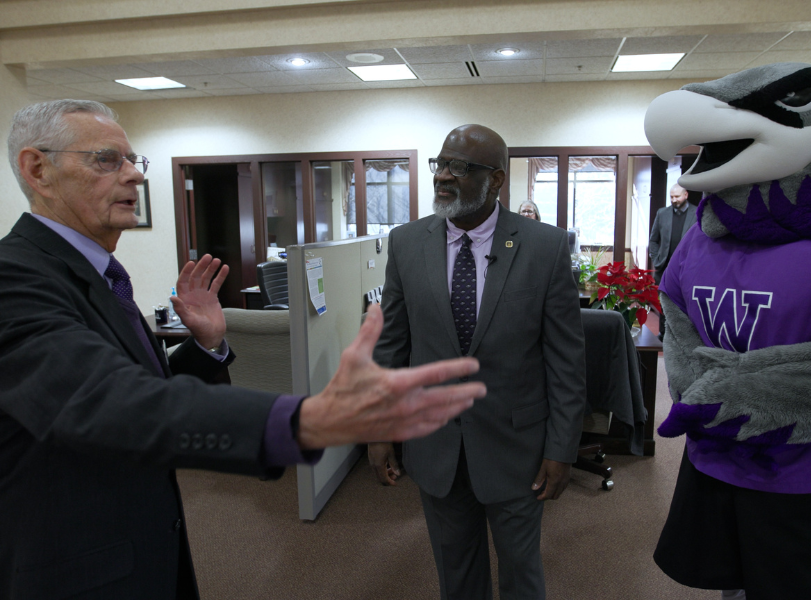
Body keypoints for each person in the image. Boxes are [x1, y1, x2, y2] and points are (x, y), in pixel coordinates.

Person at [0, 99, 486, 599]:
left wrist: (207, 344)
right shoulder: (13, 279)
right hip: (73, 567)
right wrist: (305, 420)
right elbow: (104, 402)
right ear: (38, 169)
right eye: (107, 160)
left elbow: (147, 392)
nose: (134, 177)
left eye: (132, 161)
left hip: (139, 544)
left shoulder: (101, 277)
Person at [367, 124, 585, 600]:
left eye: (460, 168)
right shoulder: (406, 243)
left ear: (497, 181)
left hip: (518, 448)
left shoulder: (545, 247)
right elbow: (390, 346)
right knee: (456, 574)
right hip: (436, 448)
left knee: (521, 574)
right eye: (440, 164)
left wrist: (562, 447)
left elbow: (567, 360)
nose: (444, 176)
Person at [648, 184, 695, 340]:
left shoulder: (696, 213)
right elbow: (653, 240)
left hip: (687, 268)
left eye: (677, 196)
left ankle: (683, 336)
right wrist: (656, 259)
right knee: (664, 302)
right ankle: (663, 334)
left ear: (686, 195)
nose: (674, 200)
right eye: (672, 197)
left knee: (684, 303)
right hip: (665, 268)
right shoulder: (663, 213)